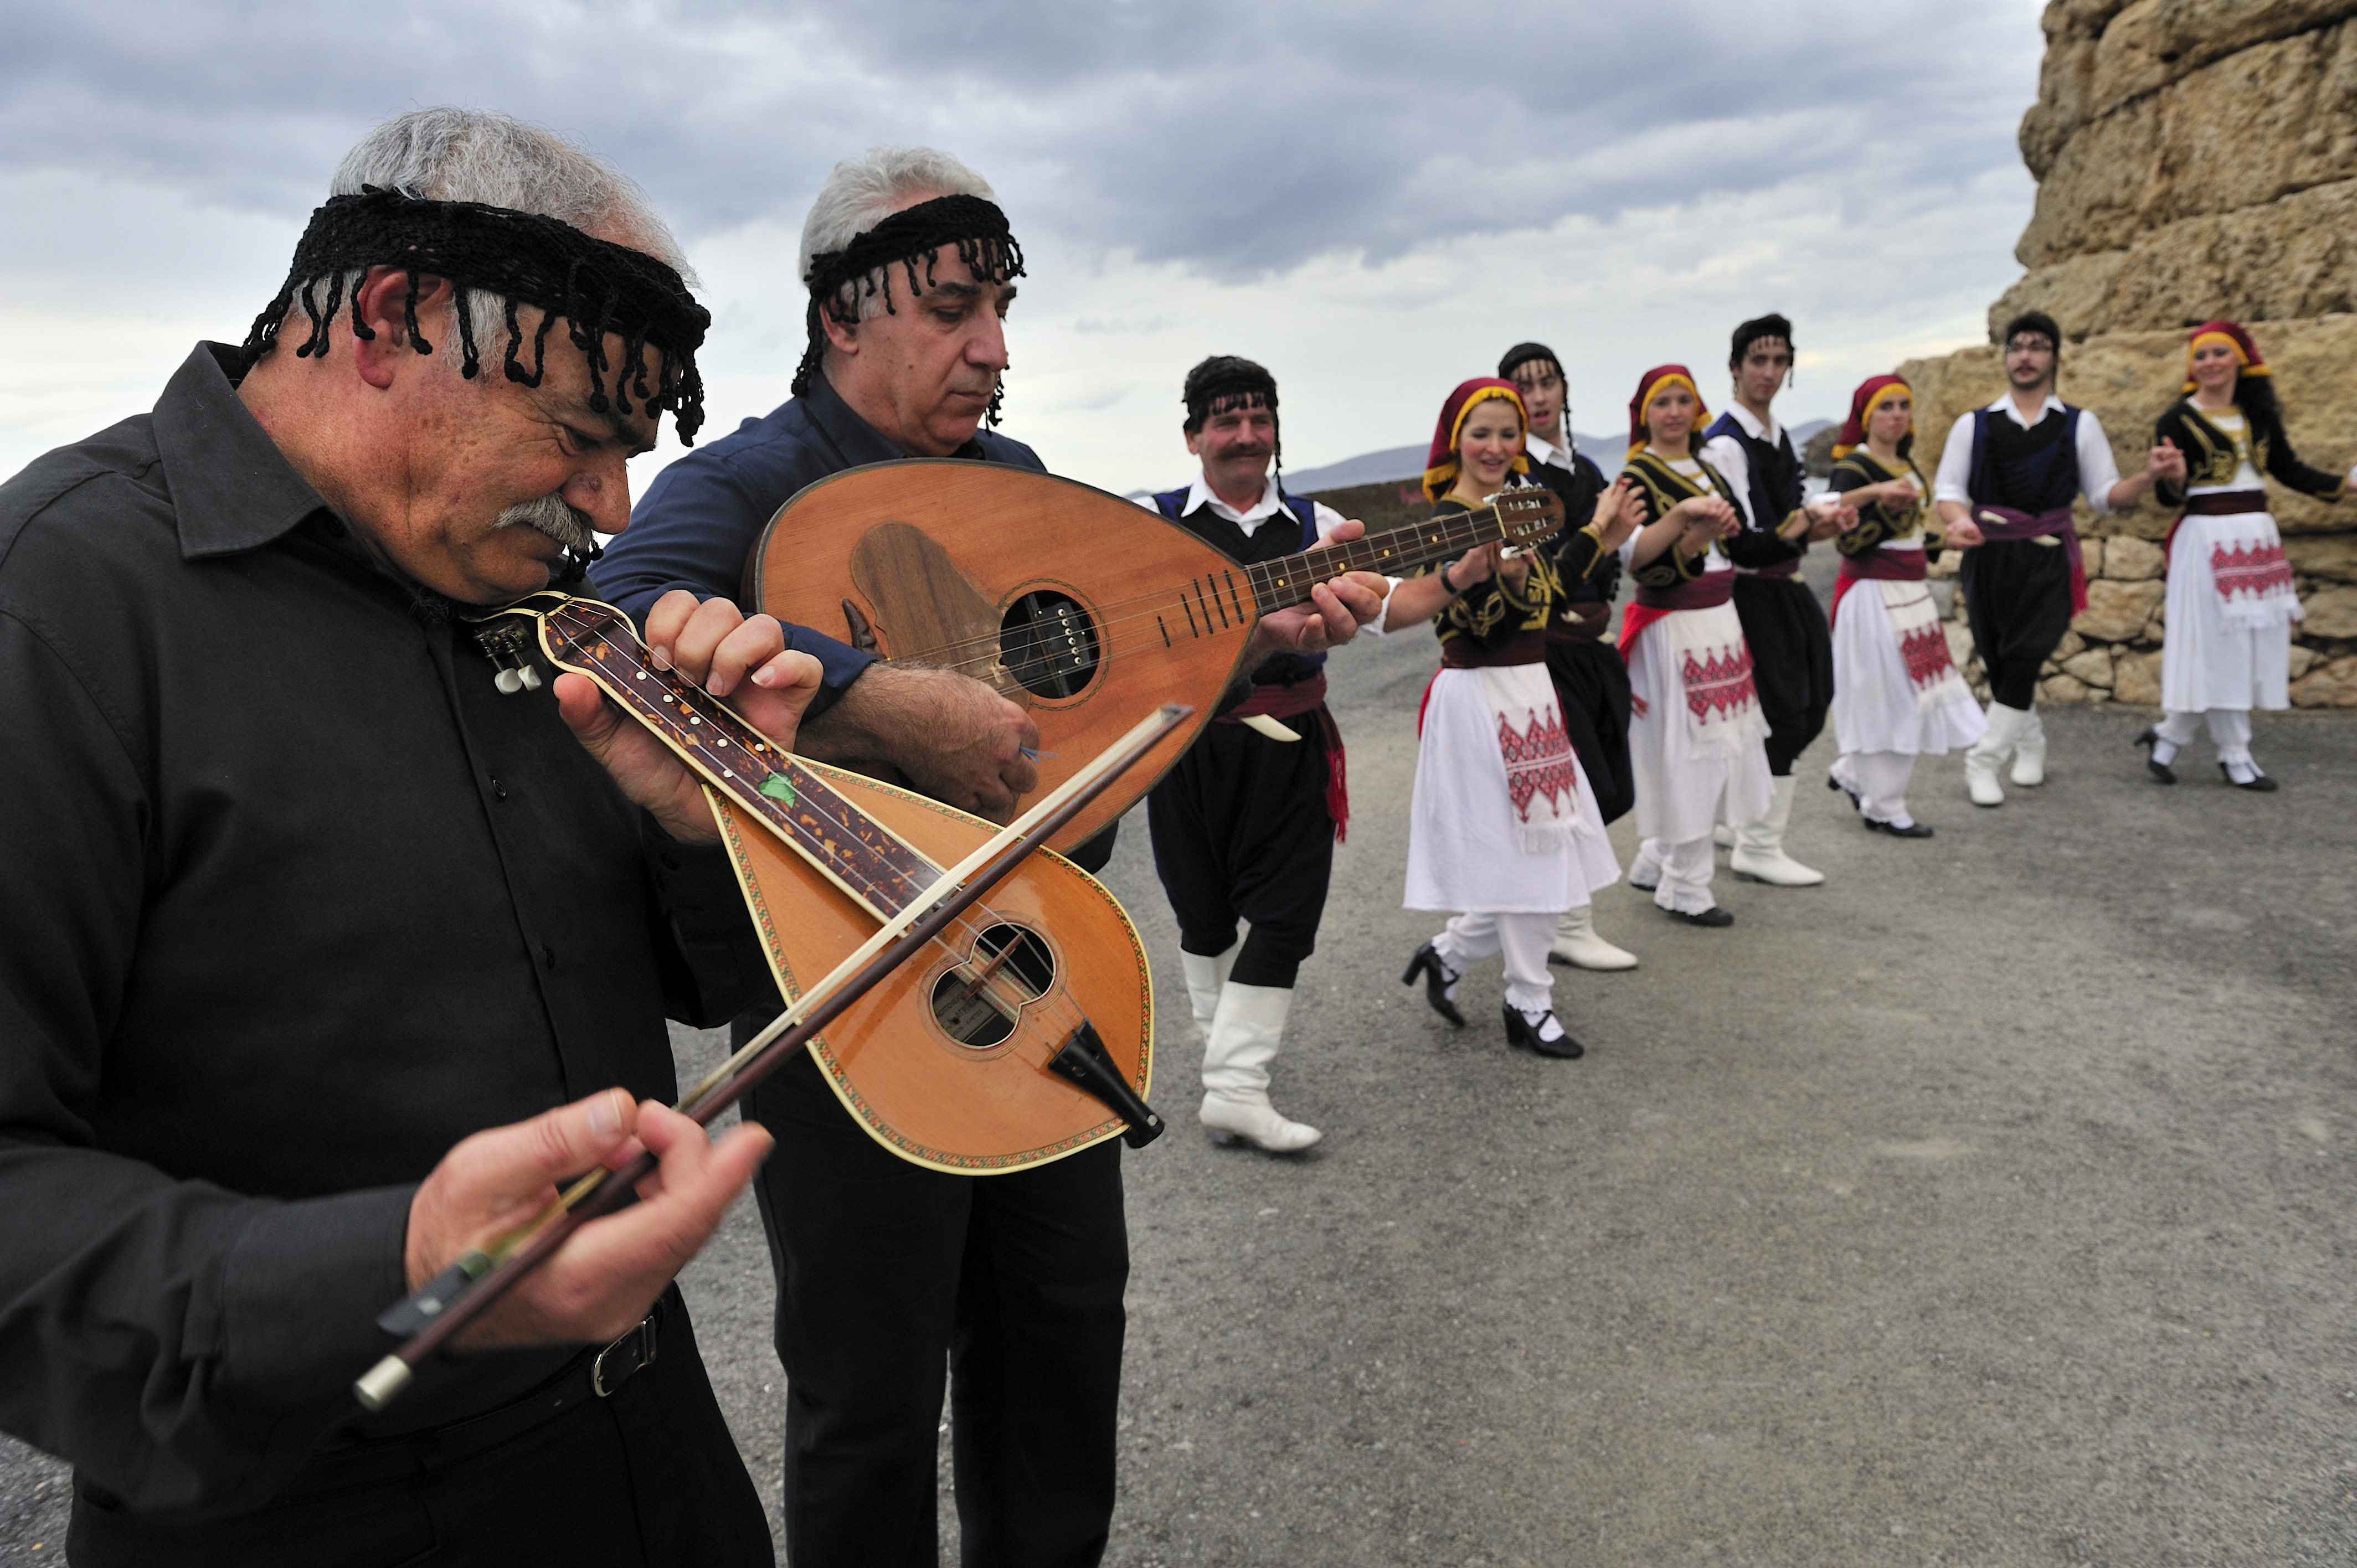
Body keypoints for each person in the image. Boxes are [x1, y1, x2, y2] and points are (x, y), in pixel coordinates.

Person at [0, 109, 793, 1566]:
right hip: (303, 1518)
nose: (614, 508)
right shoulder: (57, 607)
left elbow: (713, 986)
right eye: (579, 436)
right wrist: (404, 1269)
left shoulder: (540, 602)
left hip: (655, 1464)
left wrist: (712, 820)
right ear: (387, 323)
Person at [594, 148, 1373, 1566]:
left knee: (1063, 1337)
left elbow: (1106, 675)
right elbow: (617, 612)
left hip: (1037, 964)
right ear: (843, 314)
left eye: (1000, 307)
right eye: (954, 307)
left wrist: (1251, 639)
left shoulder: (1013, 482)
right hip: (849, 999)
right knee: (869, 1386)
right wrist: (873, 696)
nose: (993, 347)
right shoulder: (751, 484)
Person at [1136, 355, 1391, 1152]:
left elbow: (1385, 609)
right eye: (1226, 418)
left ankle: (1235, 1086)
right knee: (1203, 918)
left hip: (1293, 748)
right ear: (1193, 436)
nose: (1245, 435)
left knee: (1285, 919)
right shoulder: (1153, 517)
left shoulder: (1316, 527)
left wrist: (1441, 579)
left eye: (1259, 418)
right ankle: (1227, 1067)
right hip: (1186, 746)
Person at [1399, 379, 1636, 1056]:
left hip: (1530, 691)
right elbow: (1466, 625)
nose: (1497, 447)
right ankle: (1527, 1002)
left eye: (1508, 434)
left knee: (1532, 850)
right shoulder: (1447, 522)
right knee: (1536, 854)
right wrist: (1499, 580)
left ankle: (1447, 955)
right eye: (1482, 434)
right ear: (1456, 442)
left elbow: (1553, 591)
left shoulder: (1521, 508)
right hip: (1479, 696)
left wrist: (1597, 536)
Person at [1932, 310, 2183, 806]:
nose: (2025, 356)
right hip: (1989, 559)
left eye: (2037, 346)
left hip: (2048, 559)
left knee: (2026, 658)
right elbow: (1949, 488)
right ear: (2006, 357)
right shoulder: (1974, 425)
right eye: (2017, 346)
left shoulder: (2079, 424)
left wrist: (2149, 476)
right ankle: (2032, 746)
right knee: (2003, 664)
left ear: (2054, 357)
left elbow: (2105, 496)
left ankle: (1982, 761)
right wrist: (1958, 519)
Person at [2140, 320, 2350, 789]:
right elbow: (2172, 497)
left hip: (2257, 538)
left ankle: (2171, 734)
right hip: (2207, 539)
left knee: (2247, 644)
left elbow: (2289, 469)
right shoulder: (2176, 421)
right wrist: (2172, 477)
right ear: (2191, 366)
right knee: (2217, 644)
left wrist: (2344, 484)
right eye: (2201, 355)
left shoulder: (2259, 416)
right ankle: (2234, 754)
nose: (2210, 362)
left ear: (2241, 360)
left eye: (2219, 353)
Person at [1500, 341, 1640, 972]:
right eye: (1523, 386)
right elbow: (1548, 578)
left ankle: (1480, 927)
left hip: (1591, 647)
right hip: (1544, 656)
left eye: (1546, 382)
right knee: (1578, 790)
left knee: (1610, 785)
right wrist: (1600, 533)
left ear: (1562, 388)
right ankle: (1568, 924)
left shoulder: (1581, 470)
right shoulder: (1514, 480)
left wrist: (1611, 537)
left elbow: (1603, 558)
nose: (1538, 396)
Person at [1697, 314, 1849, 886]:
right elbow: (1742, 541)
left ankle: (1735, 822)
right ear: (1734, 368)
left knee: (1811, 703)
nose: (1768, 371)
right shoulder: (1725, 447)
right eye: (1756, 361)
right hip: (1748, 592)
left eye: (1778, 361)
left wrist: (1822, 523)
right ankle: (1757, 844)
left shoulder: (1776, 436)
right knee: (1784, 713)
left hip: (1783, 585)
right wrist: (1804, 523)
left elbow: (1787, 522)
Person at [1616, 365, 1768, 926]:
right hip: (1676, 623)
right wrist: (1691, 535)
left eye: (1684, 400)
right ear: (1645, 414)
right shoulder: (1636, 475)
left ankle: (1657, 858)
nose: (1675, 411)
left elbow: (1742, 538)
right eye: (1663, 403)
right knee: (1688, 749)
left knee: (1719, 741)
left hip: (1719, 619)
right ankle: (1686, 884)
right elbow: (1635, 559)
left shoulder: (1708, 465)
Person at [1823, 375, 1986, 835]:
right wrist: (1881, 502)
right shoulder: (1856, 470)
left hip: (1908, 596)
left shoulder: (1904, 463)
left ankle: (1856, 775)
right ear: (1866, 417)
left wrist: (1946, 538)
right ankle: (1885, 804)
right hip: (1874, 595)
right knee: (1891, 696)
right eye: (1885, 407)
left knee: (1904, 693)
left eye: (1903, 406)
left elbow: (1908, 533)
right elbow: (1849, 541)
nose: (1896, 415)